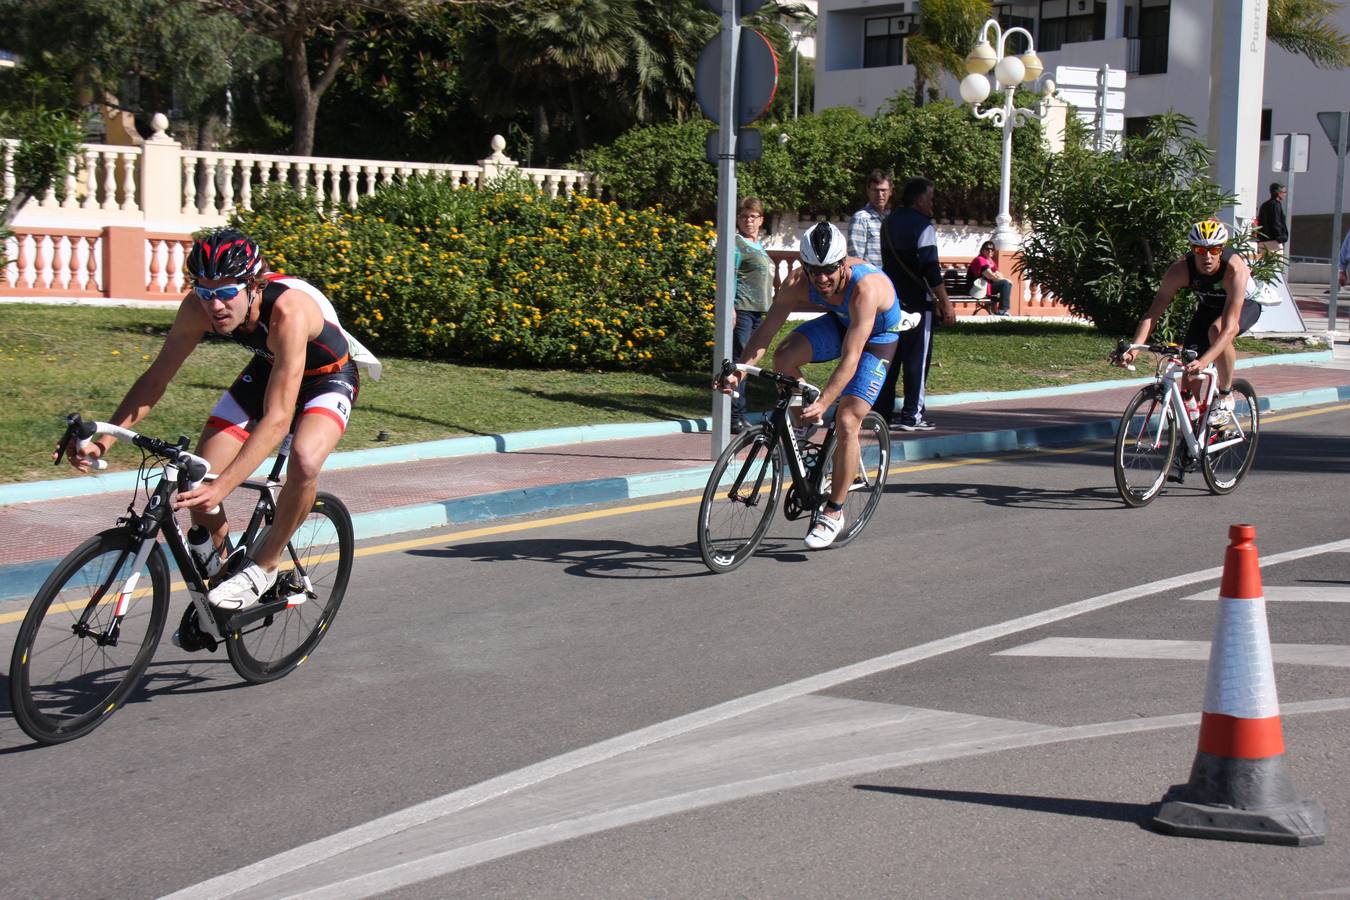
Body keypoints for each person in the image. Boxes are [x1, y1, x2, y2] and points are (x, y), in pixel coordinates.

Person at [60, 228, 364, 612]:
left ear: (253, 285)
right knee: (196, 477)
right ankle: (224, 577)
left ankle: (265, 565)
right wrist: (106, 438)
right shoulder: (196, 309)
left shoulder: (289, 310)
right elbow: (157, 378)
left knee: (304, 459)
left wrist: (223, 488)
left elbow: (277, 418)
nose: (214, 305)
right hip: (270, 368)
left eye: (224, 293)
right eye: (205, 292)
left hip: (327, 378)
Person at [719, 222, 915, 549]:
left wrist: (825, 401)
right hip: (842, 323)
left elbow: (851, 358)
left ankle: (833, 512)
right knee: (784, 357)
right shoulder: (798, 281)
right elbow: (766, 332)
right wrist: (739, 371)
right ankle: (805, 424)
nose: (821, 279)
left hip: (877, 337)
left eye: (828, 271)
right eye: (813, 270)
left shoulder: (864, 288)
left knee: (848, 419)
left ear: (842, 264)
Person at [1117, 219, 1262, 428]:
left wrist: (1204, 362)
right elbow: (1153, 313)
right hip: (1209, 307)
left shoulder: (1235, 269)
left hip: (1244, 305)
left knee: (1217, 330)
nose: (1208, 256)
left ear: (1222, 249)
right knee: (1188, 383)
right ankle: (1193, 437)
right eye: (1200, 250)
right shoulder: (1180, 269)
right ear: (1192, 249)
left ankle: (1225, 395)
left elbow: (1229, 329)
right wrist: (1134, 350)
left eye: (1214, 249)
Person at [872, 177, 955, 432]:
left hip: (892, 300)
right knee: (917, 360)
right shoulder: (923, 226)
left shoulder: (887, 223)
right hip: (919, 301)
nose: (932, 204)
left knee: (891, 355)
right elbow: (930, 269)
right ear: (919, 200)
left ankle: (882, 411)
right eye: (930, 198)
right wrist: (946, 303)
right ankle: (912, 415)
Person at [731, 197, 775, 433]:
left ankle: (740, 413)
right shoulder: (737, 243)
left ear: (761, 220)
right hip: (743, 310)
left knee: (748, 364)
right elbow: (731, 274)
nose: (748, 220)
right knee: (741, 362)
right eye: (744, 216)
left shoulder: (759, 247)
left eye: (753, 216)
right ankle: (735, 416)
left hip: (759, 312)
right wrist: (730, 308)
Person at [847, 170, 892, 267]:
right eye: (876, 190)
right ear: (868, 191)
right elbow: (855, 261)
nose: (880, 194)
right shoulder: (861, 218)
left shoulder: (892, 219)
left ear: (890, 191)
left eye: (883, 190)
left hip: (891, 280)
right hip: (871, 279)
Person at [967, 239, 1012, 316]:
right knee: (1005, 283)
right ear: (982, 250)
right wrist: (1001, 278)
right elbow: (989, 275)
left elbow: (999, 274)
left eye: (992, 249)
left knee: (1007, 284)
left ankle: (999, 309)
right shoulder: (980, 259)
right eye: (987, 249)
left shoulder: (990, 261)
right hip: (977, 288)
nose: (990, 251)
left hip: (986, 286)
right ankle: (1002, 310)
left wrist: (998, 276)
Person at [1255, 182, 1288, 257]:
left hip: (1262, 241)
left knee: (1265, 266)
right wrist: (1279, 238)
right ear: (1278, 193)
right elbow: (1276, 223)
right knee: (1276, 266)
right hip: (1273, 242)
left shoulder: (1264, 205)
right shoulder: (1276, 205)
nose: (1285, 194)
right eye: (1284, 192)